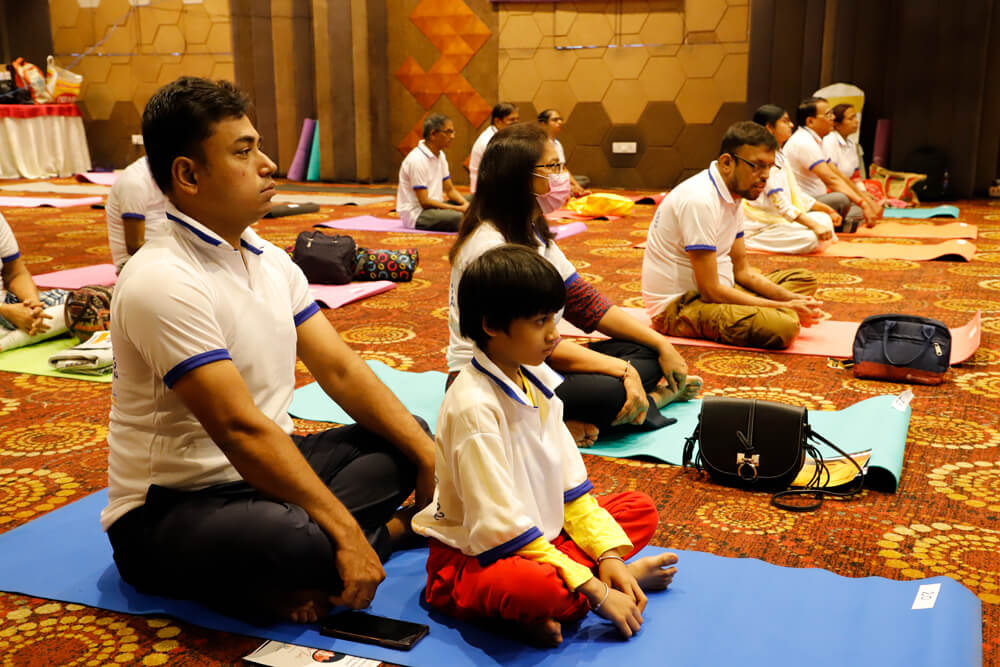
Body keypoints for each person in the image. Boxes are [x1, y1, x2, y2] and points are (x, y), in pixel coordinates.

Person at [102, 77, 436, 625]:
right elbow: (238, 428)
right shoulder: (161, 279)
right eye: (244, 150)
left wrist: (427, 456)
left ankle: (302, 563)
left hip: (262, 475)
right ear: (187, 174)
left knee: (405, 437)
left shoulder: (270, 259)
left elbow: (341, 369)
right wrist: (347, 531)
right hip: (170, 508)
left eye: (258, 146)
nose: (269, 163)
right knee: (297, 539)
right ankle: (381, 536)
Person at [414, 244, 679, 647]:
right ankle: (553, 599)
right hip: (478, 554)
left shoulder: (537, 383)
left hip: (539, 536)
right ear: (491, 325)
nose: (555, 334)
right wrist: (596, 590)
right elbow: (497, 529)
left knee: (638, 508)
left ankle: (571, 591)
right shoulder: (473, 407)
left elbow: (573, 494)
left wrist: (607, 556)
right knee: (537, 589)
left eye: (552, 319)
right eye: (541, 322)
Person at [447, 122, 699, 448]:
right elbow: (528, 340)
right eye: (553, 167)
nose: (563, 175)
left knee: (647, 352)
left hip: (538, 355)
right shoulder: (492, 247)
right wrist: (623, 371)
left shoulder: (531, 229)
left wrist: (662, 344)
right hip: (500, 374)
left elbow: (585, 302)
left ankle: (591, 411)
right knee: (612, 390)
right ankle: (651, 402)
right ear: (519, 176)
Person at [641, 121, 823, 350]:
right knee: (783, 326)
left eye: (769, 167)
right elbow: (710, 290)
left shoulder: (735, 195)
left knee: (804, 281)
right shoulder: (700, 199)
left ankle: (780, 307)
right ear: (727, 162)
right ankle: (778, 312)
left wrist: (789, 299)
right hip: (680, 306)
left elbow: (743, 271)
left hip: (722, 287)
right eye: (756, 166)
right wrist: (784, 308)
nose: (765, 176)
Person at [741, 104, 841, 254]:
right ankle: (751, 241)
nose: (791, 125)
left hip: (779, 221)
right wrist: (814, 226)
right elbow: (781, 204)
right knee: (811, 238)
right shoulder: (763, 159)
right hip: (761, 226)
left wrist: (827, 209)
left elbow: (795, 194)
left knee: (824, 219)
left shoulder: (780, 155)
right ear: (770, 127)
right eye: (785, 121)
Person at [782, 97, 881, 232]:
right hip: (806, 203)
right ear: (810, 121)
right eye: (828, 114)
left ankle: (835, 223)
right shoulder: (804, 142)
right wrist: (864, 204)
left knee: (859, 205)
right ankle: (829, 224)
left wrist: (865, 200)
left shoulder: (818, 140)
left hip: (820, 199)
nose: (833, 118)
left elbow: (837, 174)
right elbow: (831, 179)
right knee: (842, 199)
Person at [0, 211, 67, 351]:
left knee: (83, 303)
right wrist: (5, 311)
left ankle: (12, 336)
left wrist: (34, 307)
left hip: (6, 306)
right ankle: (11, 340)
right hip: (4, 310)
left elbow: (15, 273)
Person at [396, 112, 468, 231]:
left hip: (435, 207)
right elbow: (424, 202)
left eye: (453, 132)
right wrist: (460, 209)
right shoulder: (416, 160)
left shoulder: (440, 155)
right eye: (448, 132)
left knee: (475, 199)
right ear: (433, 134)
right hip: (418, 213)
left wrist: (466, 204)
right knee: (459, 218)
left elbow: (450, 189)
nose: (452, 136)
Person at [105, 156, 168, 272]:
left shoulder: (168, 174)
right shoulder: (134, 182)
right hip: (134, 264)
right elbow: (134, 245)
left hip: (165, 253)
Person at [468, 102, 519, 193]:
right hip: (485, 194)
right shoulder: (489, 141)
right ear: (498, 121)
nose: (516, 124)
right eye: (511, 120)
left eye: (517, 119)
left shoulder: (503, 136)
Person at [538, 108, 590, 197]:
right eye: (555, 120)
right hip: (546, 182)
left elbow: (563, 167)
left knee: (584, 180)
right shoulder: (540, 144)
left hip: (559, 178)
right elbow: (542, 172)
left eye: (560, 119)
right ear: (543, 124)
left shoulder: (557, 143)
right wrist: (567, 186)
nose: (560, 122)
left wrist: (577, 185)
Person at [823, 103, 864, 181]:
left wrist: (862, 190)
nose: (856, 121)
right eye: (851, 118)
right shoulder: (830, 140)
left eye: (855, 117)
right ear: (837, 124)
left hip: (847, 184)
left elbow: (856, 176)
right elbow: (832, 175)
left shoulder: (851, 144)